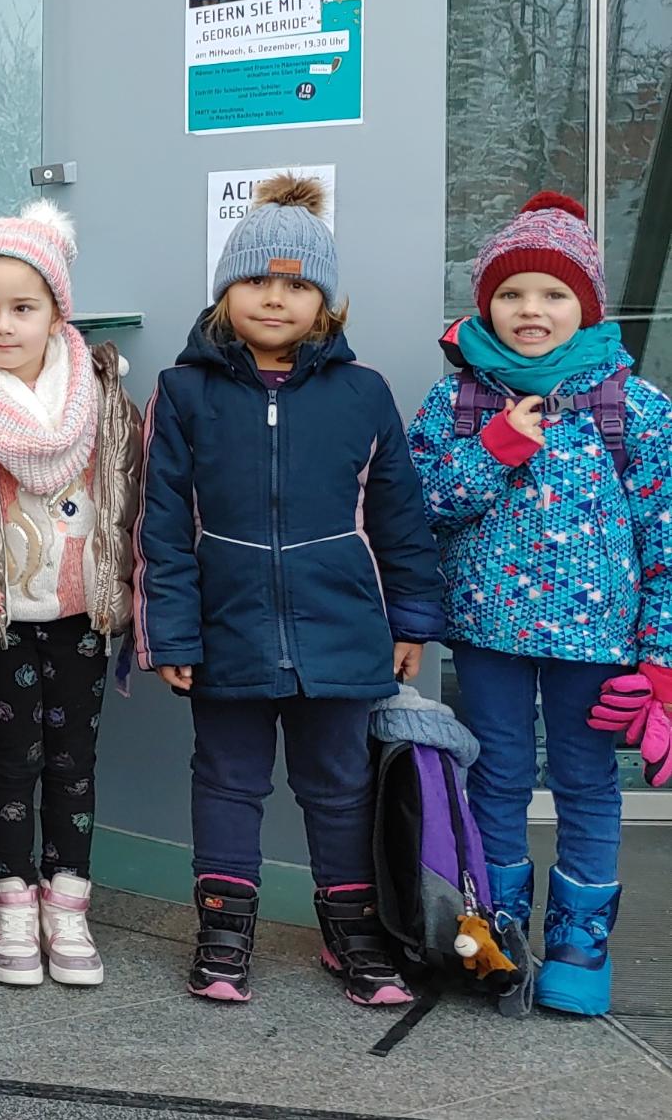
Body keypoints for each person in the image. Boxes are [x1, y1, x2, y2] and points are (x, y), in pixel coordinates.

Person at [134, 174, 444, 1008]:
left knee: (339, 786)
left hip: (343, 632)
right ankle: (224, 932)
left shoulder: (363, 393)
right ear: (225, 291)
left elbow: (400, 517)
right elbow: (159, 524)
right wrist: (172, 634)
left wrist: (411, 618)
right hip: (225, 630)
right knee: (228, 781)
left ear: (327, 304)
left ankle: (353, 936)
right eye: (258, 281)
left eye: (298, 284)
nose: (276, 299)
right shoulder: (185, 391)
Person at [407, 192, 672, 1017]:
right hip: (487, 634)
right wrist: (493, 451)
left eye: (554, 295)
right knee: (497, 777)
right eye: (513, 292)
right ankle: (498, 933)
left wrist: (660, 656)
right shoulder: (457, 404)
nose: (531, 310)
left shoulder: (636, 408)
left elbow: (665, 540)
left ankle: (581, 947)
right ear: (486, 302)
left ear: (586, 307)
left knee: (590, 784)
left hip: (597, 646)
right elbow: (416, 507)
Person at [0, 202, 139, 989]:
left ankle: (67, 902)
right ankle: (13, 899)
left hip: (81, 611)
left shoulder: (103, 394)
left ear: (56, 312)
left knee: (73, 760)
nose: (3, 325)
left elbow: (130, 498)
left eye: (23, 307)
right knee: (13, 759)